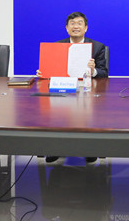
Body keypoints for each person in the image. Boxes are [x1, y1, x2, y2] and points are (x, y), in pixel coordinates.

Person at [43, 11, 108, 164]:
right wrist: (44, 72)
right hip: (64, 89)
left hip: (87, 90)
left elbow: (104, 73)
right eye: (72, 24)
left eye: (79, 23)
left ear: (86, 28)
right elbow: (51, 70)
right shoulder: (58, 46)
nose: (76, 26)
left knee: (87, 113)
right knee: (55, 112)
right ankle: (56, 149)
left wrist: (93, 71)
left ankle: (88, 149)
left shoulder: (97, 47)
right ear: (67, 28)